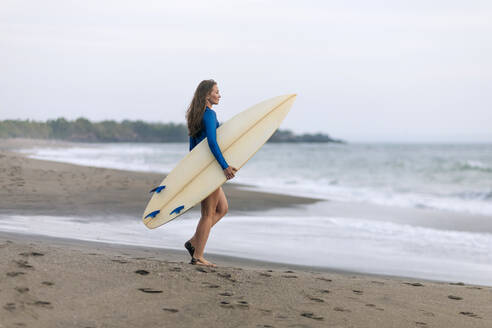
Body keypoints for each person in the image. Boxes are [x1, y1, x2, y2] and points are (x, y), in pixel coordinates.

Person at [184, 79, 237, 267]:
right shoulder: (210, 115)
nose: (219, 94)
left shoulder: (195, 116)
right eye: (216, 91)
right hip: (210, 169)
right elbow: (212, 144)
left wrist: (193, 171)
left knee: (222, 209)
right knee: (208, 213)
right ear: (207, 95)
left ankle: (193, 242)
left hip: (203, 168)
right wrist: (224, 166)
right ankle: (197, 256)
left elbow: (193, 149)